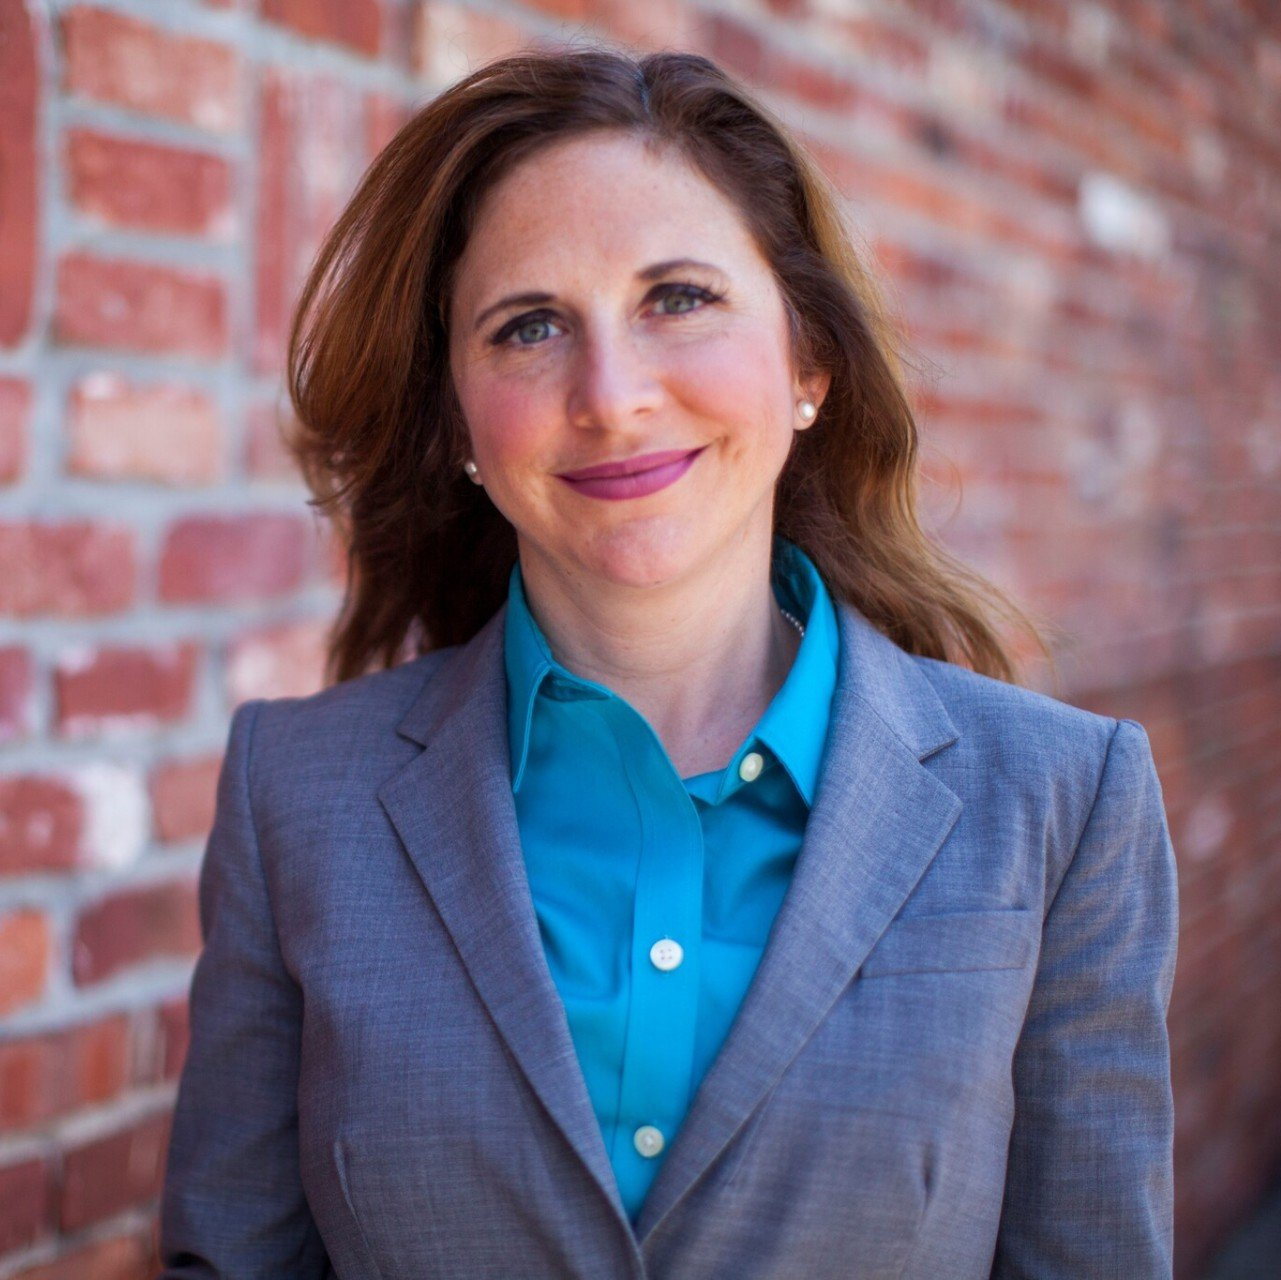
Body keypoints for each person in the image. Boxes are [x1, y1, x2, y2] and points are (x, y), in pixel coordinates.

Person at [158, 46, 1178, 1280]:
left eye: (678, 298)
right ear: (459, 422)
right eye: (530, 326)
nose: (613, 394)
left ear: (810, 362)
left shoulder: (1063, 802)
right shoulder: (295, 797)